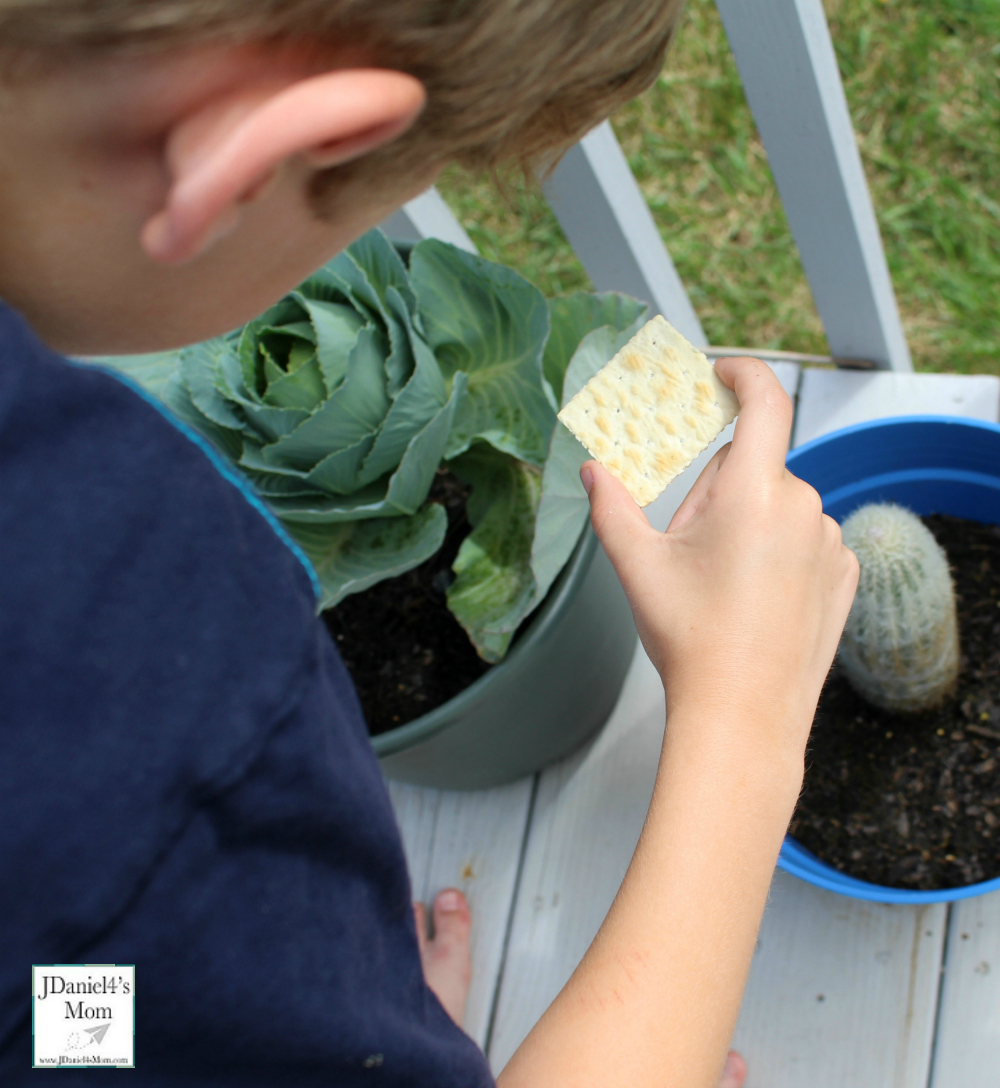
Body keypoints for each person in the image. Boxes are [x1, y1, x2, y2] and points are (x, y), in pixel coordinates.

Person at [0, 0, 859, 1084]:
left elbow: (59, 990)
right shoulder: (157, 652)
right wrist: (744, 711)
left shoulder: (115, 858)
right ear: (251, 161)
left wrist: (274, 1010)